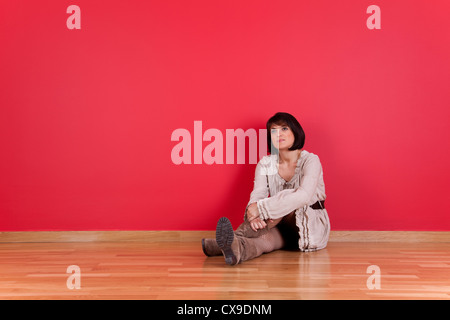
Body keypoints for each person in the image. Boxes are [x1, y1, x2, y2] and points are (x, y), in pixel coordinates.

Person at [202, 112, 330, 265]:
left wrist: (262, 209)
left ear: (295, 131)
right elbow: (259, 193)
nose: (278, 134)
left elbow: (304, 196)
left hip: (309, 226)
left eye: (284, 128)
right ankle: (235, 248)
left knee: (287, 197)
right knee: (263, 243)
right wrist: (254, 215)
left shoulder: (311, 160)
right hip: (276, 224)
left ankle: (223, 241)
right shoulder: (266, 163)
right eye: (273, 131)